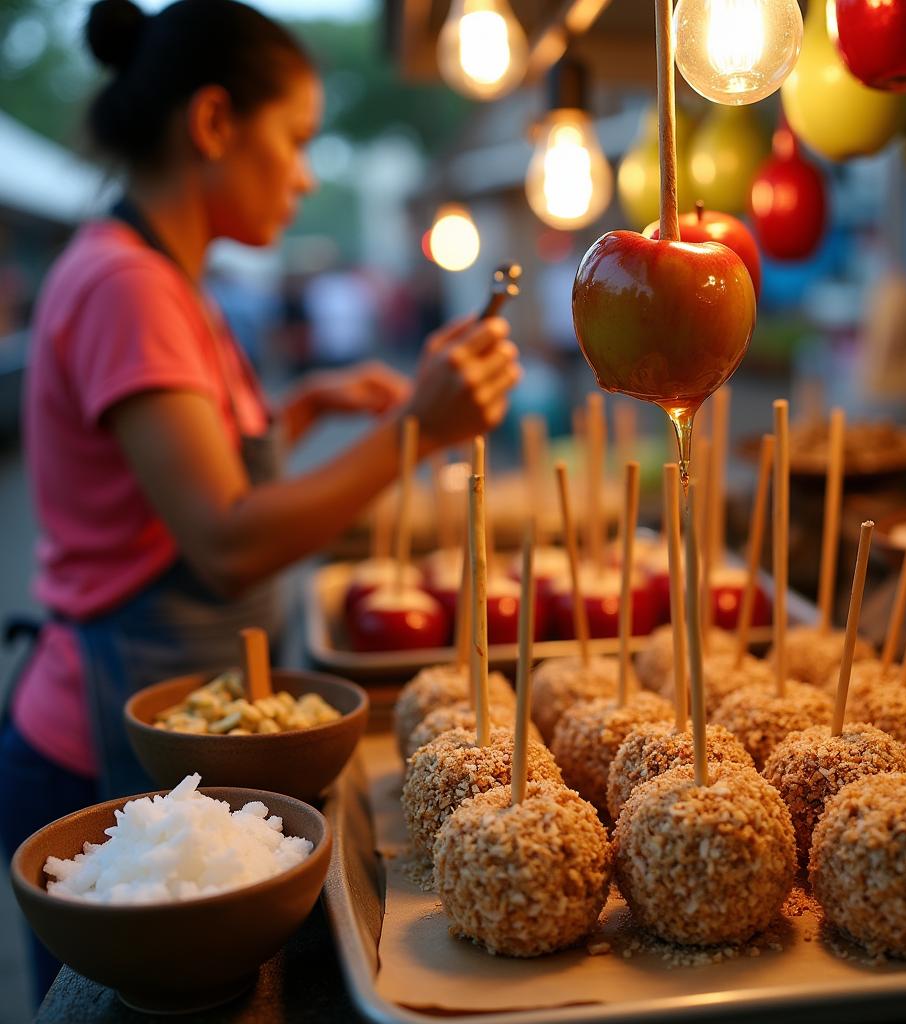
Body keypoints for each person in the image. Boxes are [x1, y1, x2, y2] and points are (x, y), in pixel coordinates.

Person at [0, 0, 520, 1003]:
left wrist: (303, 413)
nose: (307, 172)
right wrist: (417, 430)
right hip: (107, 754)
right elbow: (226, 539)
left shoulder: (168, 279)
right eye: (294, 139)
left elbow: (179, 491)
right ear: (211, 125)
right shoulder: (126, 284)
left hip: (168, 736)